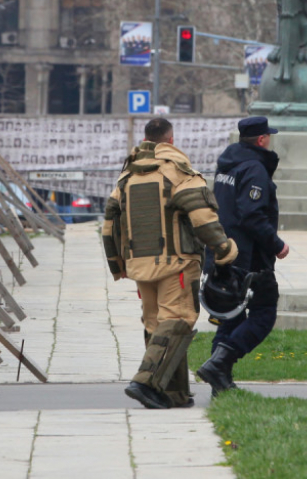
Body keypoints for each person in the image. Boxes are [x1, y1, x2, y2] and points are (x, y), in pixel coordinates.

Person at [103, 117, 238, 409]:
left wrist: (118, 265)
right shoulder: (179, 172)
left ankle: (172, 393)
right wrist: (225, 249)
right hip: (177, 263)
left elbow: (109, 222)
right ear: (171, 140)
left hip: (140, 264)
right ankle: (145, 382)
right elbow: (202, 217)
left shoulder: (127, 175)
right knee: (178, 320)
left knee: (157, 325)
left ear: (147, 139)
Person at [197, 116, 290, 396]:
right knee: (263, 314)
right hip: (249, 260)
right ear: (262, 139)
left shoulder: (228, 164)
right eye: (268, 137)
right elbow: (252, 216)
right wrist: (277, 245)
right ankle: (221, 363)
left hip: (223, 254)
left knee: (231, 318)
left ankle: (219, 382)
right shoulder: (254, 169)